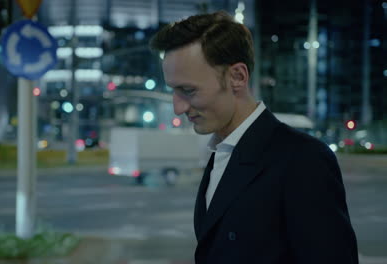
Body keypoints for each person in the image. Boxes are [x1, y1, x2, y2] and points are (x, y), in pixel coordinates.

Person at [149, 10, 358, 264]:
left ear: (237, 76)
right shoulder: (222, 152)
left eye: (188, 90)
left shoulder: (303, 160)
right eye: (173, 90)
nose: (178, 107)